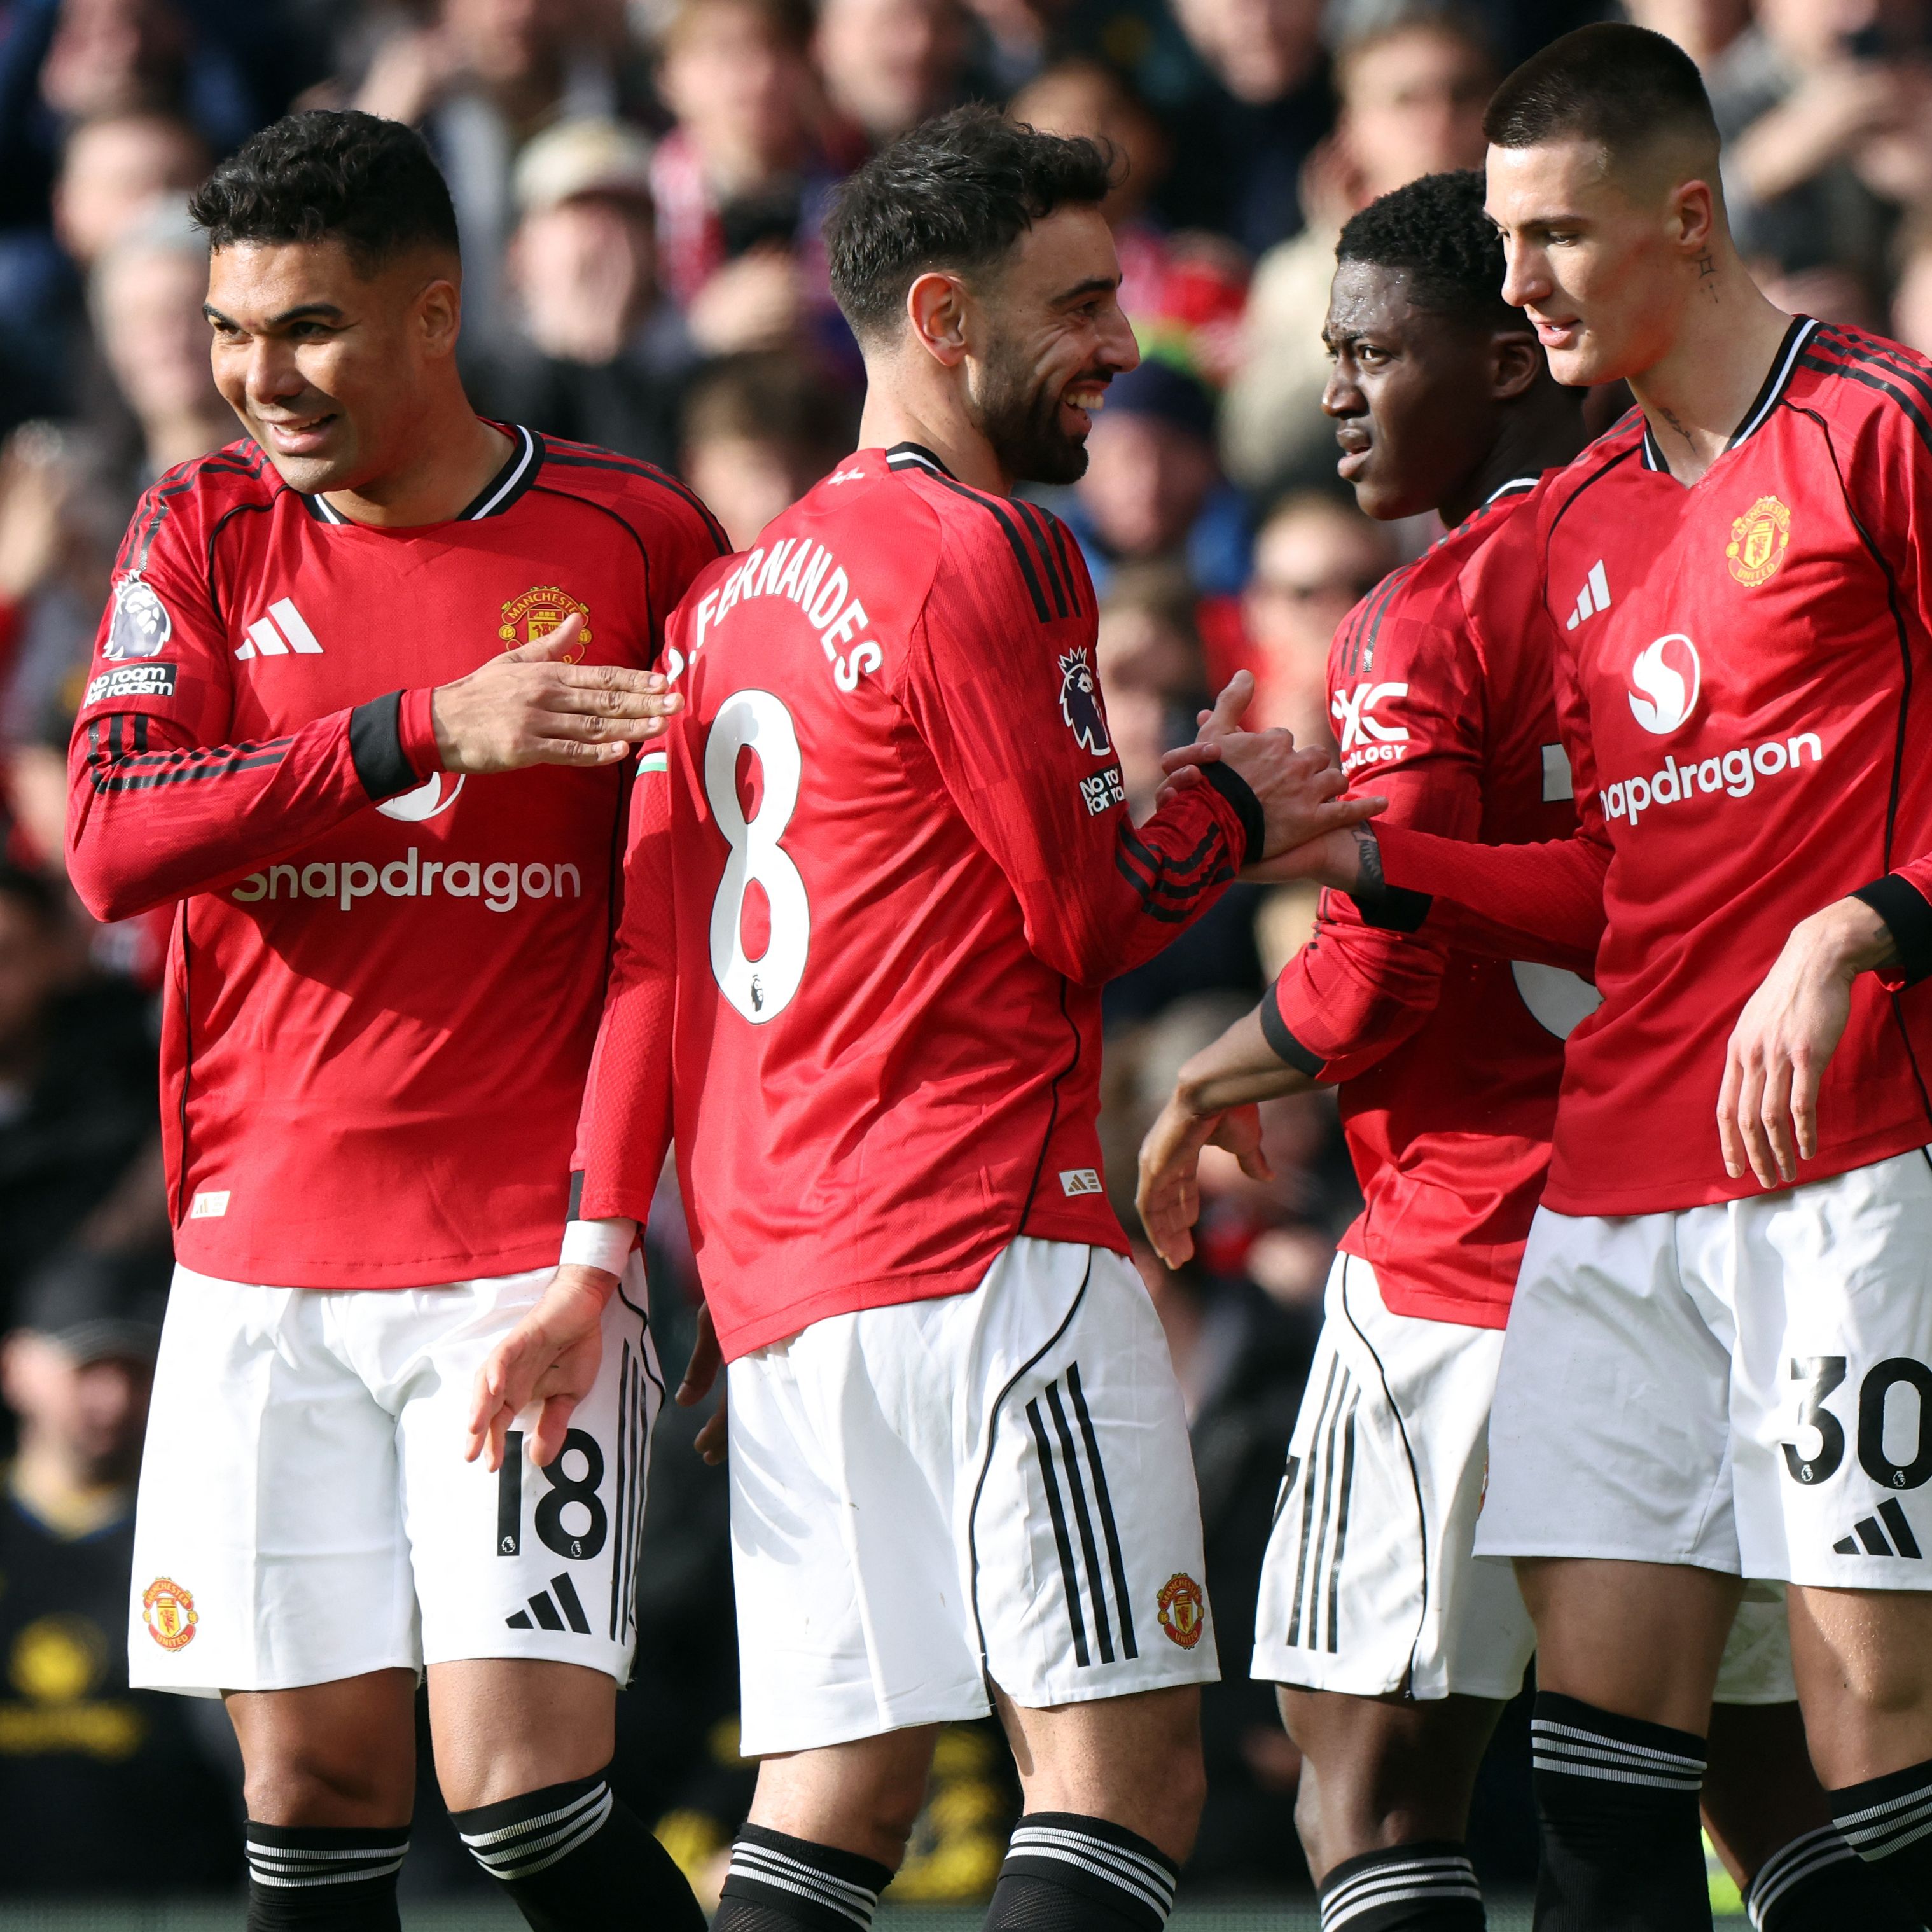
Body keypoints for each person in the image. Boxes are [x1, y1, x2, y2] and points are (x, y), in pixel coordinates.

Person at [469, 105, 1384, 1932]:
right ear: (946, 319)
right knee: (1121, 1778)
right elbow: (1083, 910)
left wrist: (598, 1264)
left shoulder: (718, 609)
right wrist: (1222, 807)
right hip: (989, 1244)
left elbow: (652, 974)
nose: (1121, 340)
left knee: (833, 1793)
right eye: (1080, 303)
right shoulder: (990, 547)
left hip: (784, 1293)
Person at [1142, 163, 1922, 1932]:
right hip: (1704, 1223)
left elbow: (1376, 977)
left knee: (1362, 1774)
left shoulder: (1429, 610)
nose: (1332, 392)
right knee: (1749, 1770)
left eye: (1369, 352)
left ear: (1505, 358)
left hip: (1466, 1256)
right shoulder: (1664, 545)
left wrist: (1207, 1069)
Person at [60, 108, 728, 1932]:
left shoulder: (637, 534)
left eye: (309, 328)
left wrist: (630, 1243)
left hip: (518, 1263)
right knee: (310, 1802)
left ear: (434, 313)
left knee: (527, 1800)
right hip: (256, 1261)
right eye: (230, 329)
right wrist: (418, 729)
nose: (258, 377)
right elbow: (113, 837)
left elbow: (678, 931)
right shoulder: (200, 524)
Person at [0, 1251, 242, 1893]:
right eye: (87, 1368)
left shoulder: (205, 1537)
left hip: (179, 1907)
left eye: (135, 1370)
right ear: (16, 1367)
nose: (114, 1398)